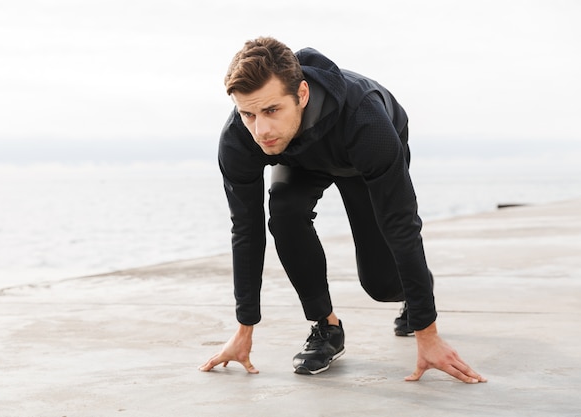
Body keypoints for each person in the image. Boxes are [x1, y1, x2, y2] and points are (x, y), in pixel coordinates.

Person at [199, 36, 486, 383]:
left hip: (360, 157)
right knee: (284, 212)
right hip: (301, 159)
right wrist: (245, 328)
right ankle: (325, 327)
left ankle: (414, 289)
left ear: (301, 94)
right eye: (248, 114)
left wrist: (427, 332)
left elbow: (402, 223)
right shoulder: (239, 137)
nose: (261, 129)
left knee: (382, 285)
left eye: (272, 110)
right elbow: (246, 229)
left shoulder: (366, 119)